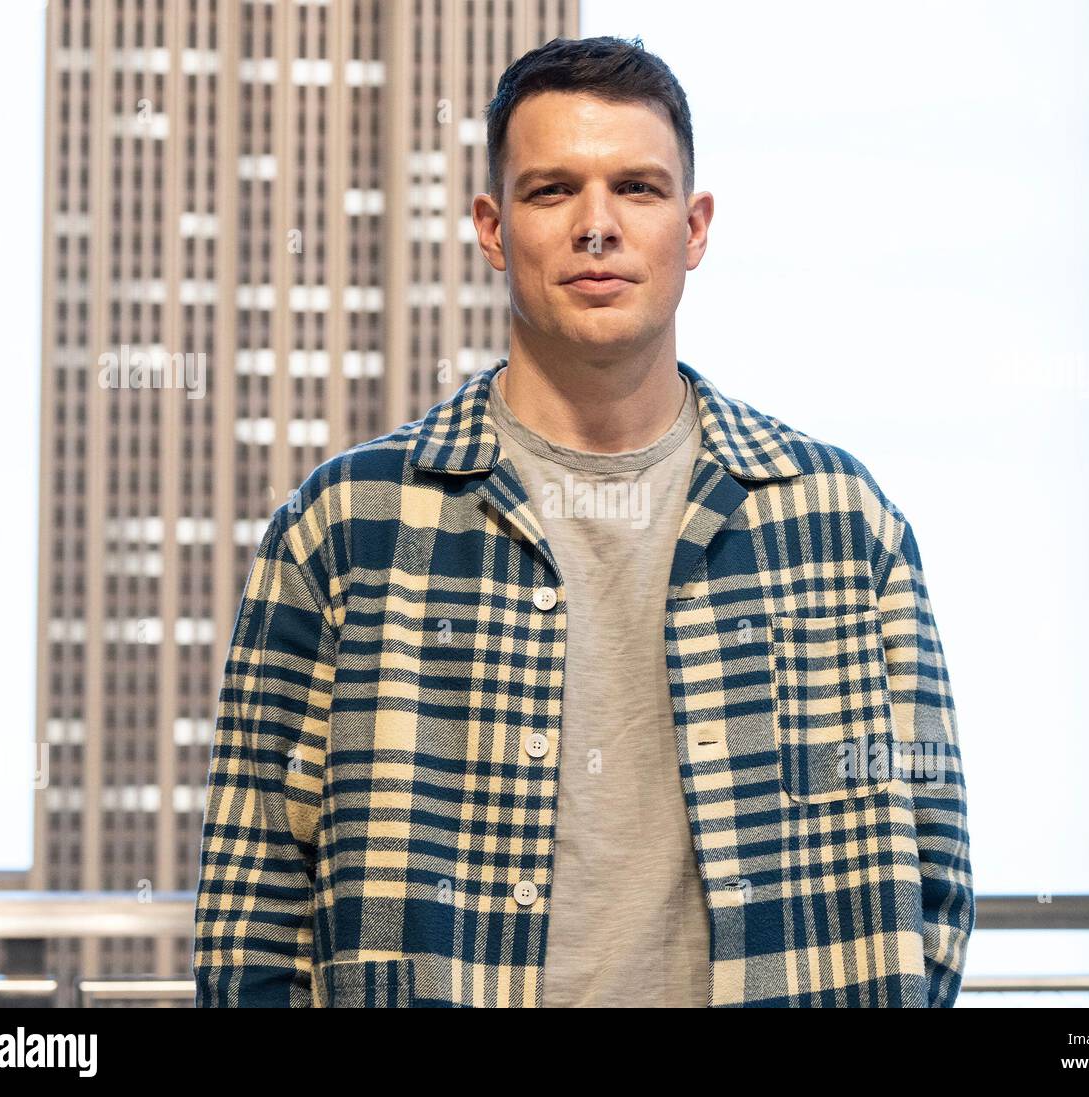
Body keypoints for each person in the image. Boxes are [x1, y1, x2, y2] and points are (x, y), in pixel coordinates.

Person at [193, 34, 974, 1008]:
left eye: (638, 190)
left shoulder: (837, 519)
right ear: (491, 226)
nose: (596, 227)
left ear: (693, 228)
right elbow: (251, 900)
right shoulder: (348, 525)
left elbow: (935, 875)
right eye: (552, 190)